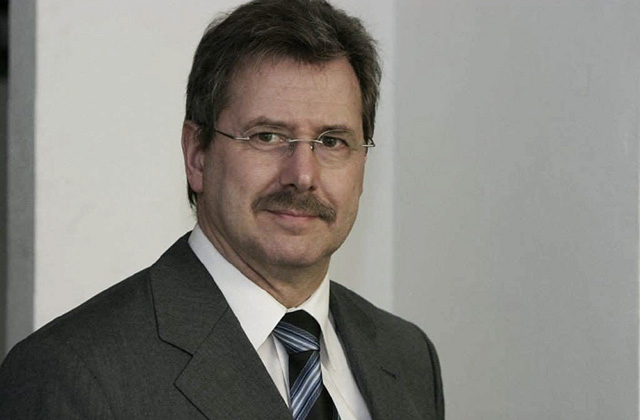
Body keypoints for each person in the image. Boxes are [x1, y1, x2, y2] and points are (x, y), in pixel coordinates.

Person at [0, 0, 444, 419]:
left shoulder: (406, 356)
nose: (302, 175)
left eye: (332, 141)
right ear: (197, 155)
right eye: (267, 136)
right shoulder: (72, 373)